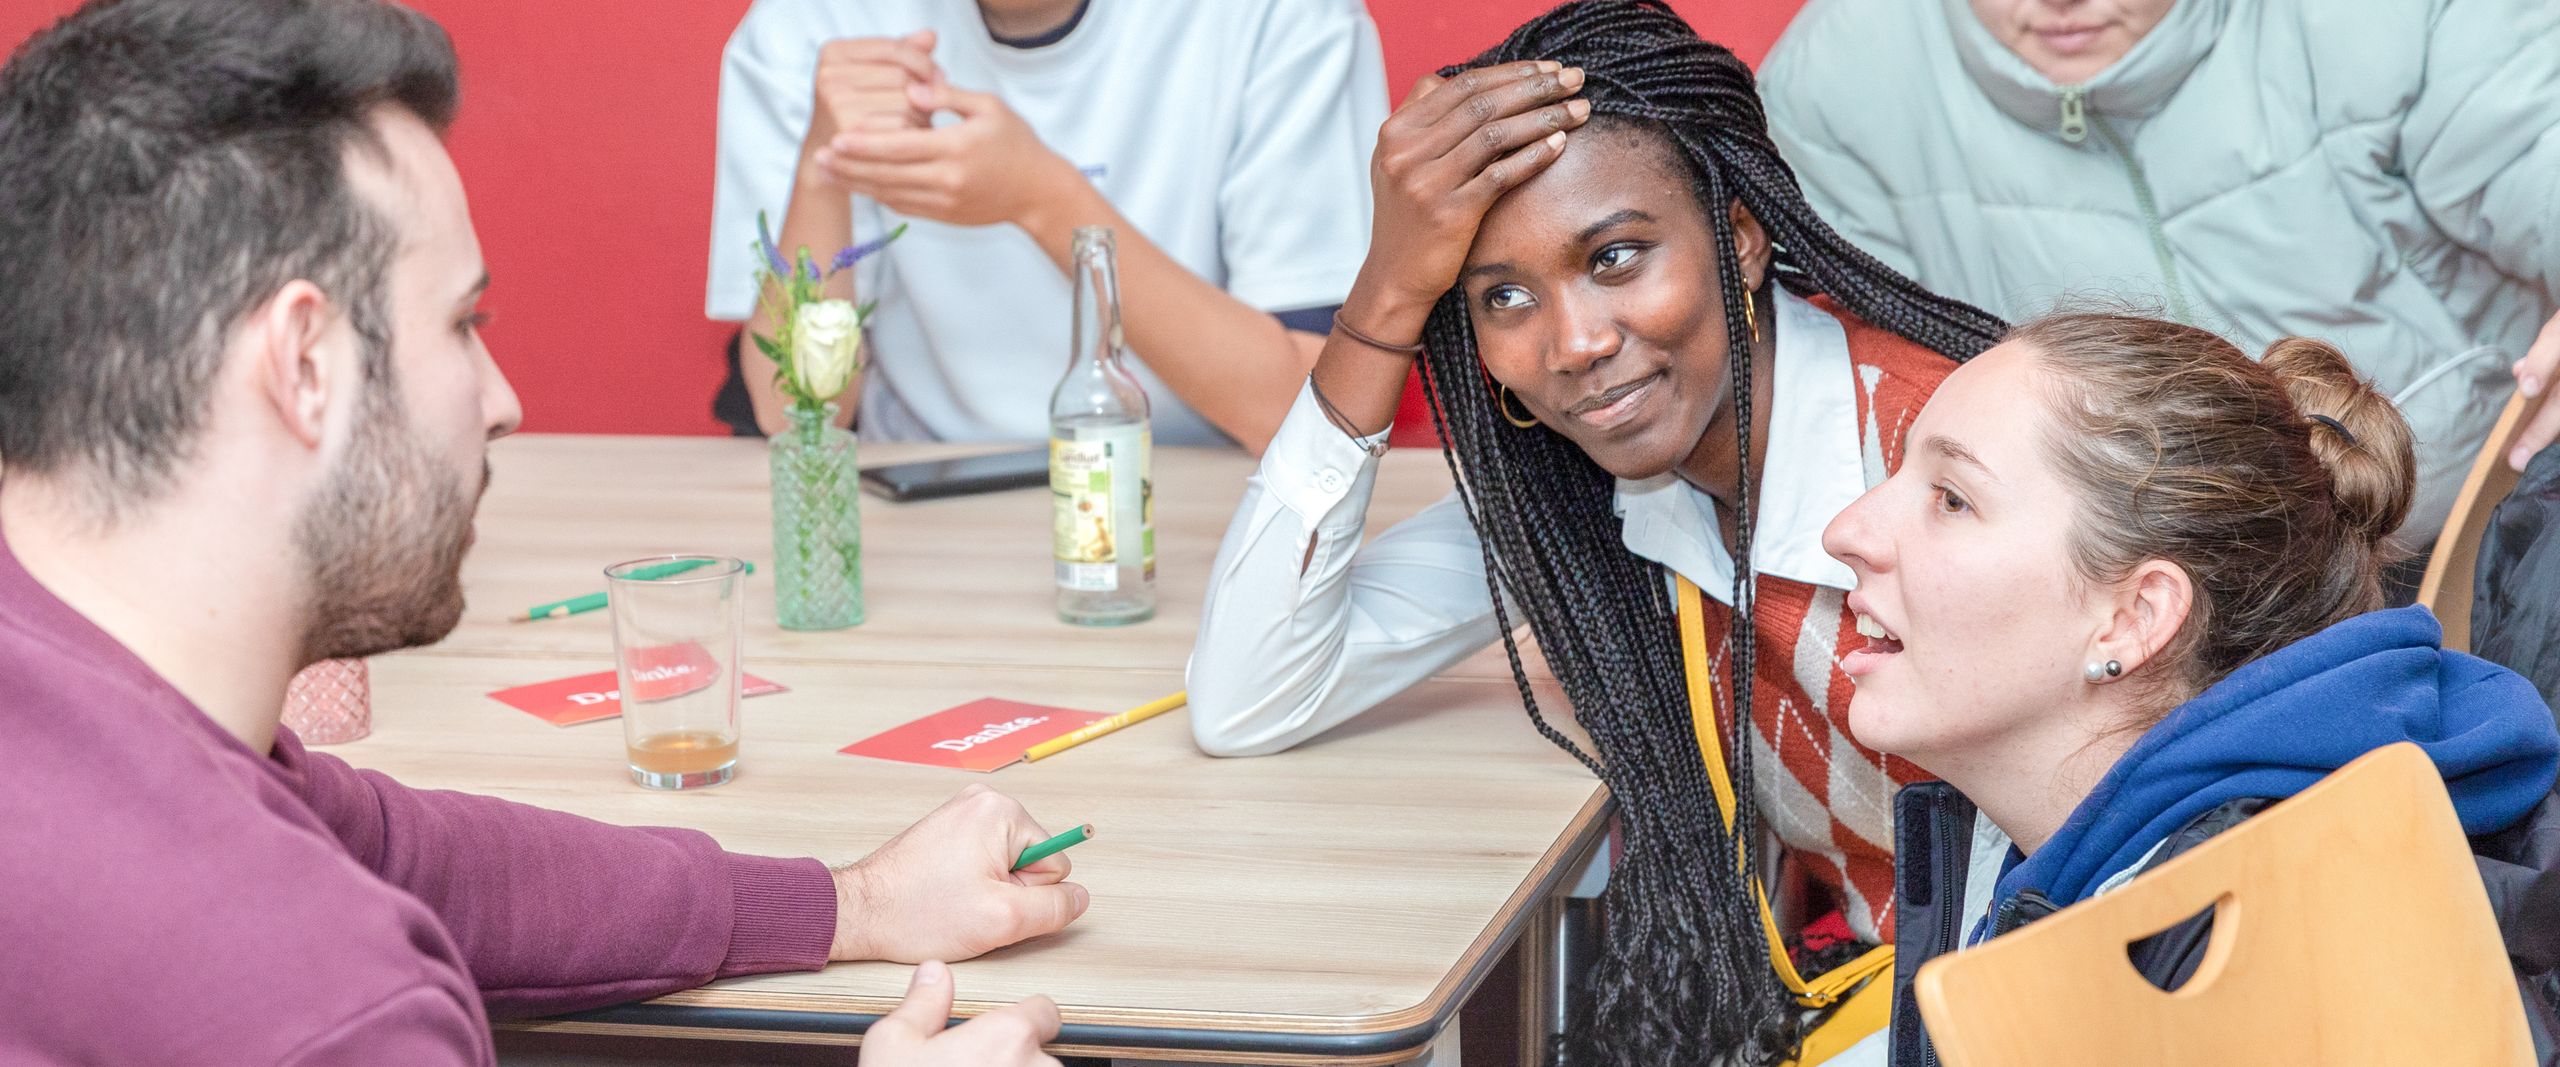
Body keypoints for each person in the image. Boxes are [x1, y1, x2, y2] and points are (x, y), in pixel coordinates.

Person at [0, 2, 1077, 1064]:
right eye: (463, 325)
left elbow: (402, 856)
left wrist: (859, 901)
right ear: (304, 362)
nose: (502, 398)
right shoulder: (330, 1007)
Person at [1188, 1, 2009, 1060]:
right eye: (1504, 296)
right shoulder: (1585, 491)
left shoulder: (1938, 454)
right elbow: (1251, 691)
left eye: (1616, 257)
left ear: (1742, 235)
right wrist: (1387, 295)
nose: (1571, 342)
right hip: (1874, 1004)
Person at [1818, 313, 2560, 1064]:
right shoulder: (2110, 882)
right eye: (1896, 472)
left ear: (2133, 618)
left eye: (1951, 498)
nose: (1846, 530)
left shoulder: (2276, 976)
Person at [1758, 0, 2560, 553]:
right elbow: (1878, 426)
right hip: (2142, 621)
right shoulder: (1838, 93)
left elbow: (2535, 136)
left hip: (2485, 517)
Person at [705, 0, 1387, 449]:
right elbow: (789, 414)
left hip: (1200, 505)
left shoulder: (1284, 18)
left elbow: (1312, 417)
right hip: (916, 495)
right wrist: (825, 169)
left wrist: (1041, 197)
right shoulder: (811, 22)